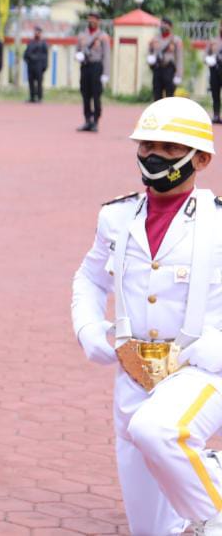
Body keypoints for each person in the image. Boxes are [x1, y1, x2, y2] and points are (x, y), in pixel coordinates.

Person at [71, 96, 222, 536]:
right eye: (147, 145)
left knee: (159, 430)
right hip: (133, 375)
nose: (155, 156)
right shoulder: (116, 218)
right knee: (152, 530)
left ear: (203, 158)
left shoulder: (217, 224)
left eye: (171, 150)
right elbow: (89, 277)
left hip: (201, 369)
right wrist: (87, 327)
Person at [77, 12, 112, 133]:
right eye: (89, 19)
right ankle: (87, 120)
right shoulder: (82, 35)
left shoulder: (103, 36)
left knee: (96, 95)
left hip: (97, 67)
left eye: (93, 19)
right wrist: (78, 56)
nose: (91, 21)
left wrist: (106, 74)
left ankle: (96, 121)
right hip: (85, 66)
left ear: (98, 21)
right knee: (85, 94)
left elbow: (107, 55)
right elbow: (77, 51)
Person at [149, 18, 185, 101]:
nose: (163, 26)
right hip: (157, 69)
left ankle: (169, 114)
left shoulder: (176, 40)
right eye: (162, 24)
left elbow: (179, 58)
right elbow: (150, 52)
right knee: (156, 94)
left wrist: (178, 74)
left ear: (170, 26)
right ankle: (157, 114)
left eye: (165, 24)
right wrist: (150, 59)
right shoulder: (155, 39)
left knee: (170, 96)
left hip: (169, 69)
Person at [24, 27, 49, 103]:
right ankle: (32, 97)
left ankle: (39, 97)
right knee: (31, 82)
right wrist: (27, 60)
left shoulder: (43, 43)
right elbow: (26, 54)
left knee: (39, 83)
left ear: (40, 33)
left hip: (39, 66)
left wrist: (44, 66)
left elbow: (45, 56)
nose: (36, 33)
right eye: (35, 32)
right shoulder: (31, 42)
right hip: (31, 65)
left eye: (38, 32)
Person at [207, 23, 222, 124]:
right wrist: (209, 59)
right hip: (215, 71)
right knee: (215, 94)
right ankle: (216, 115)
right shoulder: (213, 41)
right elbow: (206, 54)